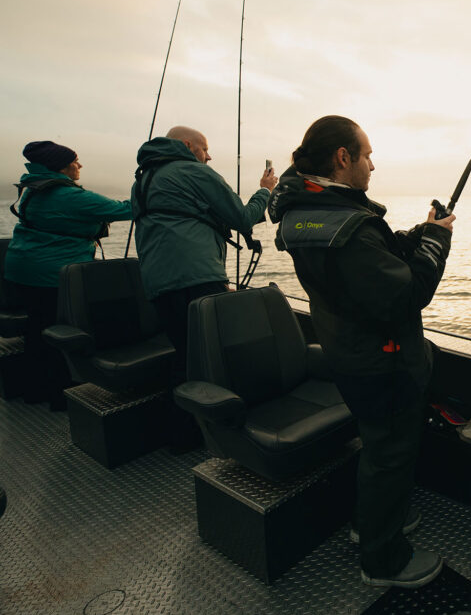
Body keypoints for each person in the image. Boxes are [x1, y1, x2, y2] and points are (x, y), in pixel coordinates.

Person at [267, 115, 455, 589]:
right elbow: (404, 293)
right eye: (367, 154)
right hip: (382, 359)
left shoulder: (307, 211)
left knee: (377, 446)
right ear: (343, 157)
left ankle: (370, 522)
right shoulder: (347, 221)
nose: (373, 164)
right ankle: (383, 557)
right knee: (390, 453)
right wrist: (437, 241)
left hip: (348, 351)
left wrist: (419, 232)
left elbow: (373, 257)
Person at [131, 126, 277, 366]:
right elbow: (241, 218)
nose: (209, 157)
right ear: (187, 146)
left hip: (157, 285)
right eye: (205, 149)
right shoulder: (194, 171)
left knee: (189, 353)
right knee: (217, 354)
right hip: (198, 279)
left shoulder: (140, 182)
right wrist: (265, 190)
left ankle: (190, 399)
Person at [5, 141, 133, 409]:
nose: (80, 165)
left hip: (22, 267)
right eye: (76, 161)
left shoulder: (33, 189)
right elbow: (126, 209)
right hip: (51, 273)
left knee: (37, 328)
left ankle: (34, 390)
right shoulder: (69, 196)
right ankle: (58, 392)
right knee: (59, 332)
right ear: (61, 167)